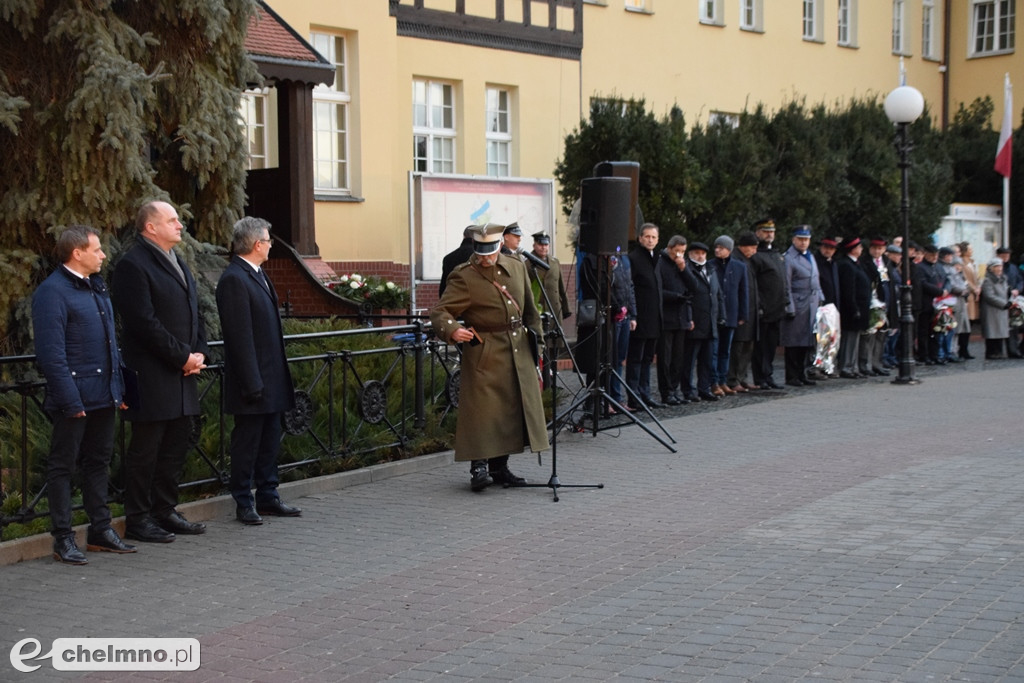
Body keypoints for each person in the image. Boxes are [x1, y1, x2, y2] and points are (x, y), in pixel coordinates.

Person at [32, 225, 136, 564]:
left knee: (98, 463)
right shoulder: (52, 292)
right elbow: (52, 354)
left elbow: (110, 346)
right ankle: (63, 537)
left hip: (104, 395)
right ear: (77, 253)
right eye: (97, 249)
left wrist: (117, 389)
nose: (104, 254)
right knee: (62, 467)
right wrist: (69, 399)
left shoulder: (96, 287)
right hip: (74, 398)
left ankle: (100, 530)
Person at [112, 200, 209, 543]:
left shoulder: (177, 261)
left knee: (174, 447)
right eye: (171, 220)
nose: (179, 225)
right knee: (146, 451)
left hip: (183, 374)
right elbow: (143, 324)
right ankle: (138, 519)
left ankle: (165, 510)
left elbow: (194, 312)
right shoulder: (132, 265)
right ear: (150, 227)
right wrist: (182, 357)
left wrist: (199, 353)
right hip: (153, 375)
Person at [431, 223, 549, 490]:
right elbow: (440, 311)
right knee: (483, 412)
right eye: (480, 252)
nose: (485, 258)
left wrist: (538, 348)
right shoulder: (464, 275)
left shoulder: (517, 266)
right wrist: (453, 330)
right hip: (484, 350)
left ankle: (500, 467)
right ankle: (479, 468)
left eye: (491, 252)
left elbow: (531, 312)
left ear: (499, 246)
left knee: (509, 409)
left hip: (517, 349)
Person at [216, 217, 302, 525]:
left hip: (271, 378)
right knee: (247, 443)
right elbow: (239, 337)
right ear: (257, 244)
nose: (270, 246)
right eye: (268, 241)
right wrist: (252, 382)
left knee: (269, 441)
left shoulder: (258, 275)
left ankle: (268, 496)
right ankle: (243, 501)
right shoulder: (234, 279)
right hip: (252, 382)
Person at [679, 242, 724, 402]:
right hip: (695, 322)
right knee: (689, 360)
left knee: (707, 360)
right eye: (697, 253)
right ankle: (687, 389)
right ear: (690, 254)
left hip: (710, 323)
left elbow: (718, 295)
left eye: (703, 253)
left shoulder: (711, 270)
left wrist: (721, 315)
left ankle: (704, 388)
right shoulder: (687, 270)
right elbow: (687, 297)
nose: (700, 256)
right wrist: (688, 318)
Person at [626, 223, 665, 409]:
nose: (650, 240)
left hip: (655, 318)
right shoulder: (634, 258)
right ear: (640, 238)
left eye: (654, 237)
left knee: (648, 359)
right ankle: (633, 396)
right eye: (647, 236)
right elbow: (630, 288)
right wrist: (632, 315)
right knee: (636, 358)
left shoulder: (657, 258)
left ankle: (645, 393)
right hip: (640, 318)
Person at [749, 219, 790, 390]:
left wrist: (786, 301)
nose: (769, 234)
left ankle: (769, 374)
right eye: (766, 231)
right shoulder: (756, 255)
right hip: (763, 308)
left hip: (777, 307)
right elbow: (754, 283)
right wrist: (758, 305)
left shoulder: (777, 254)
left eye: (772, 232)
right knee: (761, 346)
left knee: (771, 345)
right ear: (758, 233)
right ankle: (760, 377)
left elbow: (783, 280)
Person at [780, 225, 823, 386]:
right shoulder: (789, 258)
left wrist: (821, 298)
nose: (804, 243)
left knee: (807, 342)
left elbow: (815, 279)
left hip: (811, 304)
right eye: (800, 239)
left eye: (806, 240)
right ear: (794, 240)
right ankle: (792, 375)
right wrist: (789, 306)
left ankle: (802, 373)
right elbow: (787, 284)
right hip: (798, 305)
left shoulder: (810, 256)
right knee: (793, 343)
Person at [710, 234, 748, 396]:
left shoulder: (739, 267)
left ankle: (723, 380)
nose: (718, 250)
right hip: (715, 314)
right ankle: (714, 382)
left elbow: (743, 291)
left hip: (731, 313)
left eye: (722, 248)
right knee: (714, 349)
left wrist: (743, 314)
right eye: (716, 247)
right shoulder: (710, 265)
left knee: (726, 350)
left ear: (729, 250)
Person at [656, 235, 692, 405]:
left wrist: (683, 268)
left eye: (683, 251)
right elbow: (658, 291)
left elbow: (694, 287)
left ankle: (675, 389)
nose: (679, 254)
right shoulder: (660, 263)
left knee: (679, 357)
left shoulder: (683, 264)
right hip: (666, 318)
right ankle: (666, 391)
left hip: (682, 317)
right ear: (669, 248)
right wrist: (676, 297)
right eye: (677, 251)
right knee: (665, 357)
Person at [727, 232, 760, 392]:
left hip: (751, 310)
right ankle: (733, 379)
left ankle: (742, 377)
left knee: (748, 346)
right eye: (752, 247)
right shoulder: (735, 259)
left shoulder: (748, 260)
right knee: (737, 348)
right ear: (743, 246)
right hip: (740, 311)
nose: (754, 251)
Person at [836, 236, 872, 378]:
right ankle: (846, 366)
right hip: (852, 308)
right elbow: (848, 289)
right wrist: (853, 308)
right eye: (859, 247)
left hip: (861, 307)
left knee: (856, 339)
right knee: (849, 339)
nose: (861, 249)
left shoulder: (857, 264)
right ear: (853, 249)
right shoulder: (846, 265)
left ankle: (853, 366)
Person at [857, 238, 892, 376]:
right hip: (872, 303)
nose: (877, 251)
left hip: (884, 303)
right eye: (875, 248)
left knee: (881, 336)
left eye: (880, 249)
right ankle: (865, 364)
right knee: (868, 336)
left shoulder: (886, 262)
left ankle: (877, 362)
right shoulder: (865, 262)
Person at [914, 244, 949, 365]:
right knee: (924, 331)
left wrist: (946, 290)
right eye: (932, 255)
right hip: (926, 303)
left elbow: (947, 279)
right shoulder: (920, 267)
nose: (934, 257)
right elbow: (923, 284)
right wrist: (939, 291)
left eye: (936, 255)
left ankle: (935, 354)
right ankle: (924, 355)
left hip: (940, 303)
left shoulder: (939, 267)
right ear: (926, 254)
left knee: (937, 330)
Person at [981, 259, 1013, 359]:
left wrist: (1010, 300)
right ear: (991, 269)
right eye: (997, 267)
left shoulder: (1003, 279)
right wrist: (1003, 304)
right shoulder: (987, 280)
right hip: (992, 309)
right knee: (992, 331)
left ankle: (999, 351)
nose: (999, 269)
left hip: (1002, 309)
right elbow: (989, 296)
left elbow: (1006, 292)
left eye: (1000, 266)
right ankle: (991, 352)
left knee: (1000, 331)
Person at [958, 241, 981, 359]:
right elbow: (966, 279)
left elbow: (975, 278)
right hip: (969, 296)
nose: (972, 251)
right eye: (970, 249)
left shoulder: (972, 263)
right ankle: (962, 349)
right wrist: (974, 289)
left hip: (974, 296)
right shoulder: (962, 263)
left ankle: (965, 349)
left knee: (970, 323)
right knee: (965, 323)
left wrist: (978, 287)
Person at [439, 225, 476, 298]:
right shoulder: (479, 257)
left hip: (454, 301)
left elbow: (443, 289)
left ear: (464, 236)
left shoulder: (448, 258)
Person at [882, 244, 904, 368]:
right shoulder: (888, 266)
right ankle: (886, 356)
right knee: (889, 332)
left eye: (899, 255)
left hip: (898, 302)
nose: (898, 257)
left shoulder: (896, 267)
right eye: (895, 254)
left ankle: (891, 355)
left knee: (895, 331)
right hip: (891, 302)